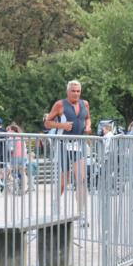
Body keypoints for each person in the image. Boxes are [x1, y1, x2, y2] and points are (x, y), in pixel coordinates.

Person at [44, 81, 92, 216]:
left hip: (79, 144)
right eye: (73, 91)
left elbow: (88, 118)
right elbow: (47, 122)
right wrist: (62, 126)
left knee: (81, 180)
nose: (76, 93)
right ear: (68, 91)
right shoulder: (60, 104)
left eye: (78, 91)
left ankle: (81, 213)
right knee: (64, 181)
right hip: (63, 145)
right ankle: (55, 205)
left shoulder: (85, 104)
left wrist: (88, 127)